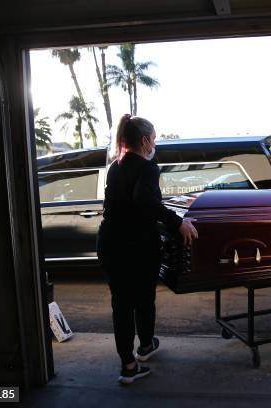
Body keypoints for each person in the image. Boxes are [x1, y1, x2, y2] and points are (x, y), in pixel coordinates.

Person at [97, 114, 198, 384]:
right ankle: (140, 353)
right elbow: (145, 200)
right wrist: (178, 223)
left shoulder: (115, 167)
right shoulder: (147, 168)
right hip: (135, 247)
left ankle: (130, 360)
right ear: (144, 141)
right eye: (153, 139)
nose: (155, 144)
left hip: (109, 242)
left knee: (122, 303)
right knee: (143, 299)